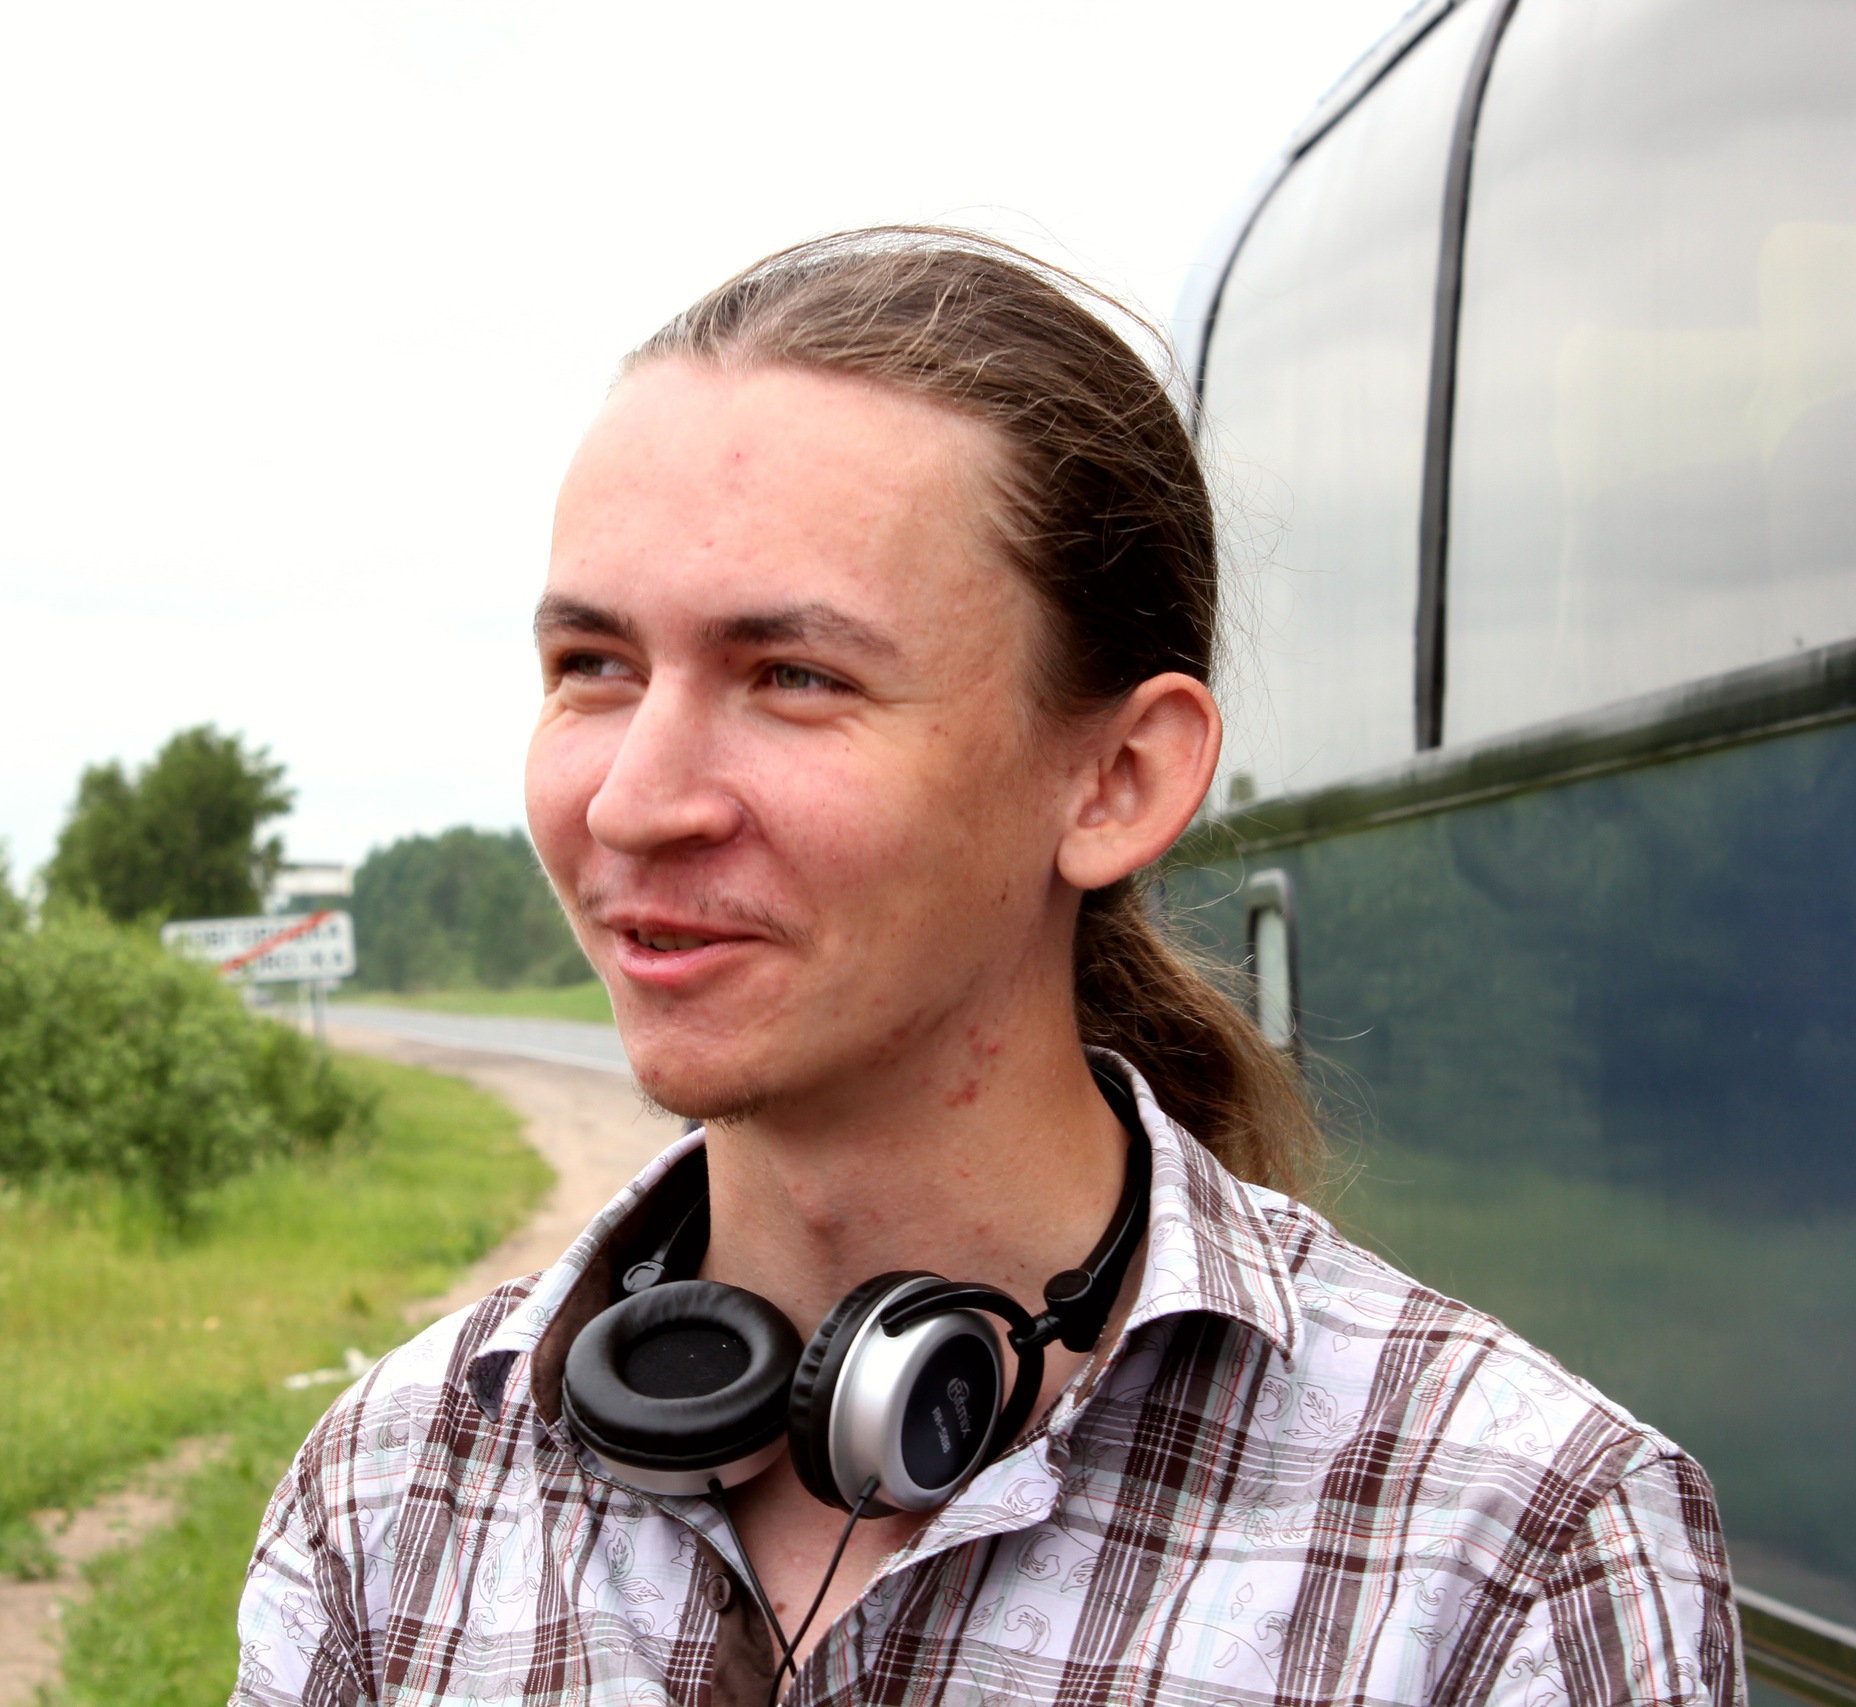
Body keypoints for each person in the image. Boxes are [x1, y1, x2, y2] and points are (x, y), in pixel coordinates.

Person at [231, 230, 1740, 1707]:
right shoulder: (391, 1498)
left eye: (794, 677)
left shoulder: (1508, 1559)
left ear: (1118, 781)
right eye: (594, 669)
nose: (632, 802)